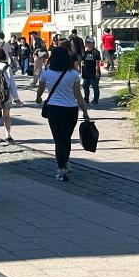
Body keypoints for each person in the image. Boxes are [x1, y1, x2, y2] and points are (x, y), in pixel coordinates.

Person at [35, 46, 93, 182]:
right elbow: (78, 95)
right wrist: (85, 111)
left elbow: (40, 88)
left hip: (54, 109)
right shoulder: (73, 74)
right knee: (66, 138)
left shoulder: (46, 72)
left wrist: (38, 99)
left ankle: (61, 169)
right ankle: (65, 163)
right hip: (70, 109)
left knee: (58, 139)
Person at [0, 47, 24, 142]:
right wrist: (16, 98)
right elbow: (12, 84)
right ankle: (8, 135)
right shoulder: (7, 67)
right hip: (6, 94)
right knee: (7, 115)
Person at [81, 40, 102, 105]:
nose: (87, 44)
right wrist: (83, 71)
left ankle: (95, 100)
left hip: (94, 72)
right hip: (87, 72)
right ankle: (86, 99)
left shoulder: (96, 52)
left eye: (89, 43)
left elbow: (97, 63)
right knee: (85, 85)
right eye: (86, 43)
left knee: (95, 86)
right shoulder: (85, 52)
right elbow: (83, 62)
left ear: (93, 44)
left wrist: (97, 72)